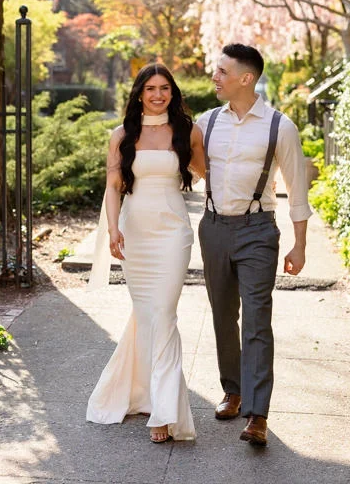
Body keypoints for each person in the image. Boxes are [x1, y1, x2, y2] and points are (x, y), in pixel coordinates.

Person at [196, 43, 312, 447]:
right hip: (212, 228)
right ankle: (234, 389)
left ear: (246, 78)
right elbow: (184, 167)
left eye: (222, 71)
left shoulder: (279, 126)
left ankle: (257, 414)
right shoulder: (206, 122)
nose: (215, 76)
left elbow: (298, 188)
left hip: (258, 230)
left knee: (257, 322)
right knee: (223, 315)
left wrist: (299, 244)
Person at [86, 63, 205, 443]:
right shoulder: (122, 134)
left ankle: (164, 411)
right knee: (147, 315)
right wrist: (113, 227)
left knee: (164, 314)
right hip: (135, 232)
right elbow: (112, 186)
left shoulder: (188, 130)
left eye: (165, 88)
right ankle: (141, 393)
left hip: (173, 233)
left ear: (173, 93)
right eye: (151, 88)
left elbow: (206, 173)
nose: (158, 94)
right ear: (139, 93)